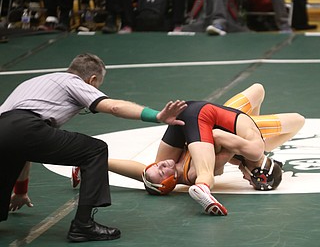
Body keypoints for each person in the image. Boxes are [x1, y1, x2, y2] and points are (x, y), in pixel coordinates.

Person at [11, 84, 305, 216]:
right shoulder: (247, 151)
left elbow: (145, 171)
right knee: (195, 171)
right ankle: (205, 187)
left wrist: (244, 134)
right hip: (210, 123)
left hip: (206, 116)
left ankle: (86, 164)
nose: (243, 178)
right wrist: (230, 153)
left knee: (153, 172)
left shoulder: (253, 147)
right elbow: (215, 137)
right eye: (249, 176)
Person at [0, 53, 187, 242]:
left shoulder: (34, 83)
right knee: (95, 150)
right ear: (93, 80)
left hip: (5, 129)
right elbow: (114, 107)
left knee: (13, 152)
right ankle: (83, 225)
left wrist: (21, 190)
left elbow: (22, 144)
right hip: (26, 128)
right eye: (98, 87)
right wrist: (156, 116)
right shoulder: (74, 82)